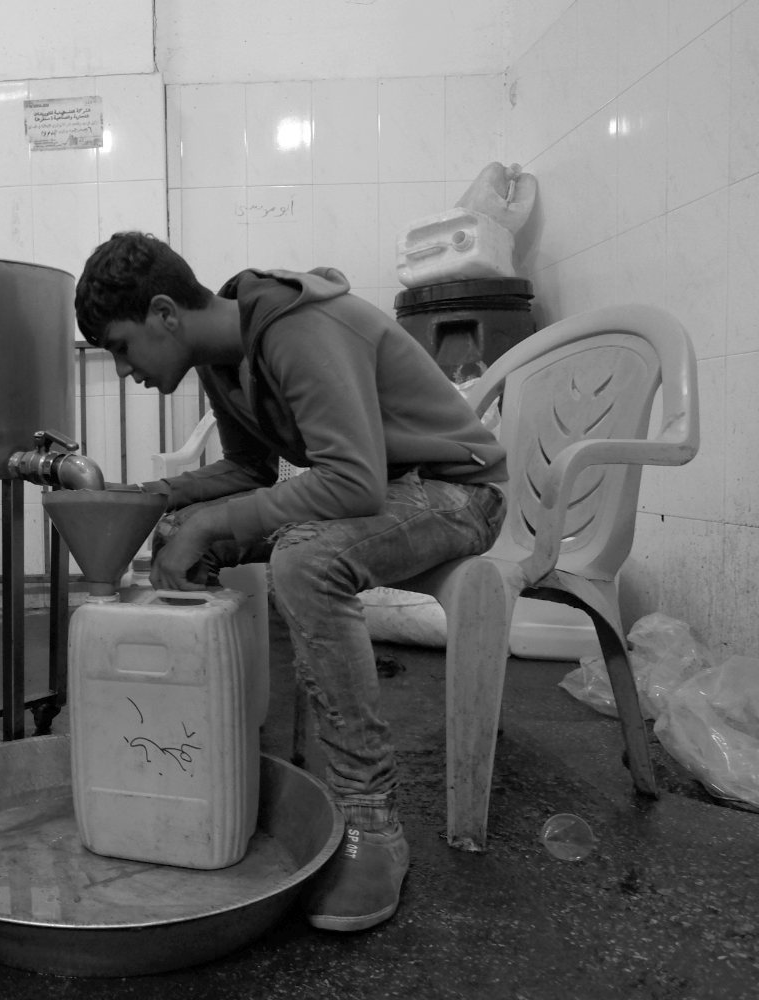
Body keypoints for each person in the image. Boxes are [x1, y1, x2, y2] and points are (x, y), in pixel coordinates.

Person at [73, 231, 508, 932]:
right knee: (194, 533)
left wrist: (213, 522)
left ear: (164, 314)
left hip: (457, 491)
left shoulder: (298, 328)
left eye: (122, 348)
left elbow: (353, 481)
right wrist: (157, 498)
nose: (124, 371)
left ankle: (373, 822)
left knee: (304, 560)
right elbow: (251, 472)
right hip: (390, 494)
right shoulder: (223, 360)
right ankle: (216, 751)